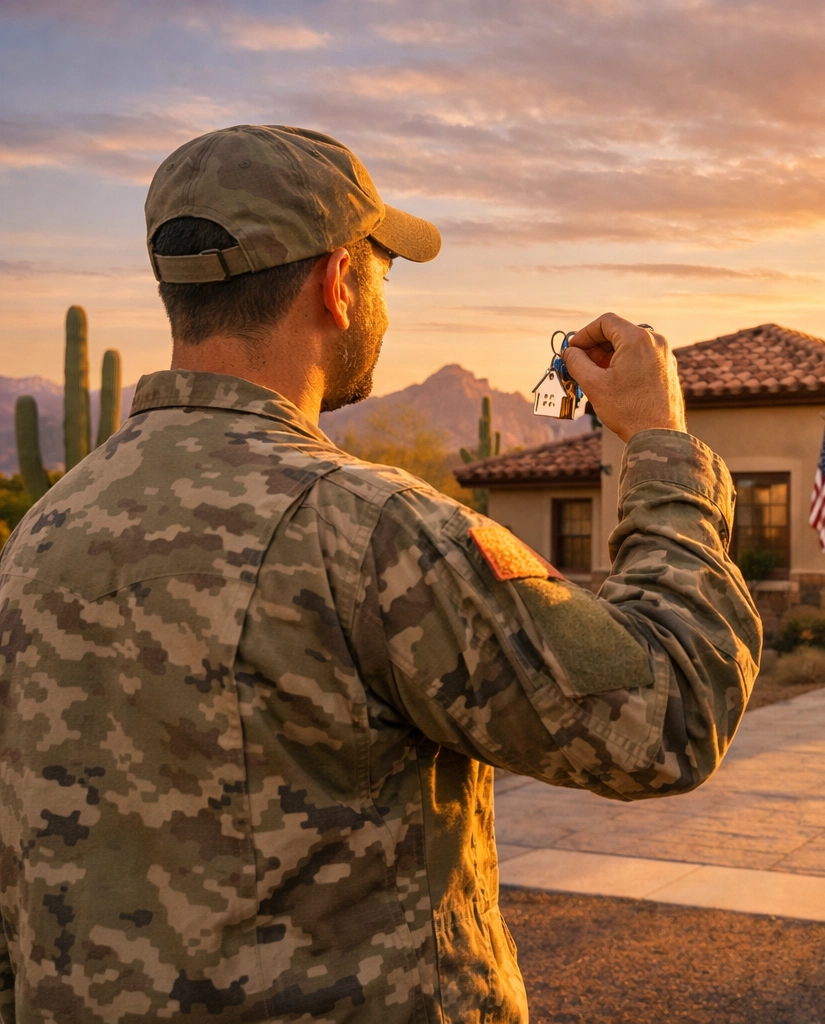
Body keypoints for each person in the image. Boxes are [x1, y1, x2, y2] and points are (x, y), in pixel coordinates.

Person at [0, 125, 761, 1024]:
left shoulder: (44, 534)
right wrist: (662, 445)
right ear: (336, 282)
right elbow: (667, 715)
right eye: (382, 272)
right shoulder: (369, 533)